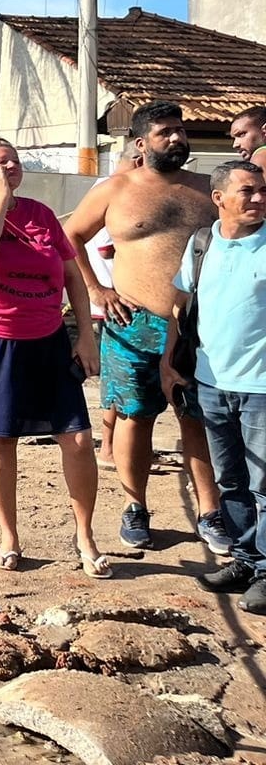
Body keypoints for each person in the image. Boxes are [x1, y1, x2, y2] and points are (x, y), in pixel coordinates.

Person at [63, 101, 228, 554]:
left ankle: (210, 512)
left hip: (199, 325)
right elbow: (70, 236)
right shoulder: (115, 189)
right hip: (132, 323)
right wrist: (97, 289)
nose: (176, 138)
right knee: (136, 419)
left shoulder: (208, 189)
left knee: (197, 418)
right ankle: (136, 506)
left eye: (180, 131)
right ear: (140, 143)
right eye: (165, 133)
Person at [0, 137, 108, 578]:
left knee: (76, 438)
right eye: (1, 163)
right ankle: (9, 536)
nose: (12, 167)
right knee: (1, 439)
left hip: (48, 338)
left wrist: (85, 335)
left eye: (15, 161)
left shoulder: (40, 215)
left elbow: (72, 275)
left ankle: (85, 535)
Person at [164, 161, 266, 613]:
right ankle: (245, 560)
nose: (260, 199)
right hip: (211, 382)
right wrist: (171, 363)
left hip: (262, 388)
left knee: (265, 485)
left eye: (263, 191)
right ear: (219, 198)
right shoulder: (202, 244)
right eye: (248, 191)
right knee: (231, 481)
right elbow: (181, 305)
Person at [86, 145, 142, 468]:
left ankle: (115, 446)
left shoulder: (107, 188)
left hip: (114, 300)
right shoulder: (115, 192)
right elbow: (106, 247)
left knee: (120, 378)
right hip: (115, 303)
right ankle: (108, 447)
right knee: (118, 379)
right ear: (138, 159)